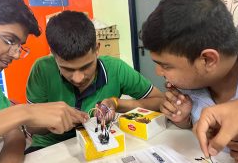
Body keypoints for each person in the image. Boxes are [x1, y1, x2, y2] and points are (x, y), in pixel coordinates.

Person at [0, 0, 88, 163]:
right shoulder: (41, 70)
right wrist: (24, 113)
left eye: (19, 45)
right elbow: (15, 120)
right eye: (9, 40)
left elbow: (13, 133)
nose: (16, 54)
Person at [25, 10, 164, 153]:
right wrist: (51, 121)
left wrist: (116, 103)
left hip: (100, 142)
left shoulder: (116, 69)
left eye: (86, 66)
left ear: (97, 49)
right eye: (67, 69)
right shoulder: (42, 69)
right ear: (53, 55)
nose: (78, 78)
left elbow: (160, 100)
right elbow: (30, 127)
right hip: (49, 147)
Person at [140, 0, 238, 162]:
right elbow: (193, 126)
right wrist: (184, 119)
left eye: (166, 65)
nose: (158, 72)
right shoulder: (191, 86)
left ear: (208, 60)